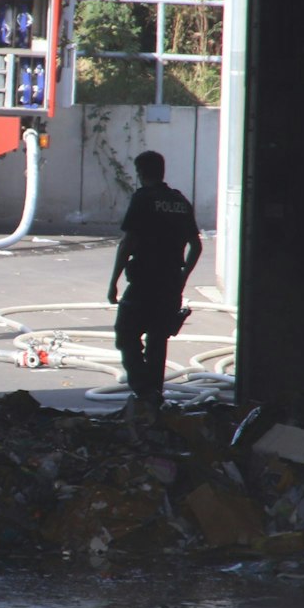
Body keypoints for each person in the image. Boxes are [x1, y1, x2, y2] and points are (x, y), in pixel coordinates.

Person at [106, 149, 202, 413]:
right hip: (170, 283)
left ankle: (144, 390)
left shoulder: (143, 199)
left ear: (140, 173)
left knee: (126, 335)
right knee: (158, 340)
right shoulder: (179, 201)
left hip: (144, 282)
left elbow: (128, 242)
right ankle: (154, 396)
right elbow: (196, 245)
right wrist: (183, 278)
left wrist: (114, 280)